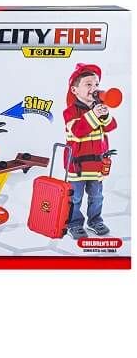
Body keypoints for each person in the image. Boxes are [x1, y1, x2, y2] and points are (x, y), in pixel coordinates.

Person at [63, 63, 117, 239]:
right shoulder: (70, 111)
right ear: (74, 90)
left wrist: (104, 114)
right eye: (88, 84)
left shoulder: (98, 108)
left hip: (96, 164)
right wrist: (94, 115)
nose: (94, 88)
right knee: (75, 198)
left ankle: (95, 220)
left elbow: (111, 127)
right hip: (77, 166)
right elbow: (78, 131)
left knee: (97, 196)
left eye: (96, 84)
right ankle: (74, 223)